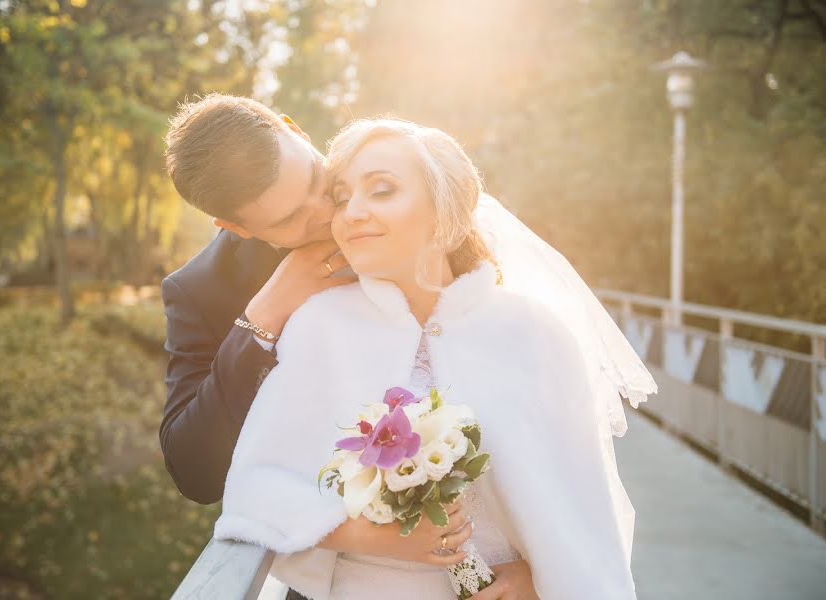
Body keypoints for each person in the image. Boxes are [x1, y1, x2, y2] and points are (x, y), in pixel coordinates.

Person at [213, 118, 656, 599]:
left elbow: (584, 511)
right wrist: (373, 534)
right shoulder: (318, 326)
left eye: (382, 190)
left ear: (445, 209)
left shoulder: (536, 333)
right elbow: (255, 492)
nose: (351, 212)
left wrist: (538, 581)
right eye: (343, 197)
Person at [161, 96, 496, 599]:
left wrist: (532, 568)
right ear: (237, 229)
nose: (332, 213)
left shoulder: (399, 184)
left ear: (295, 129)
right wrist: (264, 315)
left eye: (320, 184)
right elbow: (196, 473)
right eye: (293, 218)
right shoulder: (200, 290)